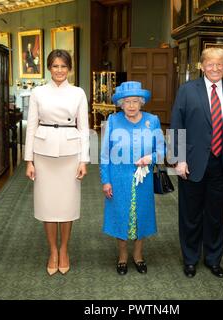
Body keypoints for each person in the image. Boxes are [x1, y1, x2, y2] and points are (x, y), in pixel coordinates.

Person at [170, 47, 223, 278]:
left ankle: (214, 259)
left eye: (220, 64)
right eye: (210, 64)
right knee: (190, 214)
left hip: (222, 164)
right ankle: (191, 259)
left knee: (216, 215)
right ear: (202, 66)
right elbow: (176, 126)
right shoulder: (186, 90)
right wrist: (178, 159)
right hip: (192, 163)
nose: (215, 68)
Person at [25, 49, 89, 276]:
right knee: (48, 205)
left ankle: (64, 249)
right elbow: (31, 126)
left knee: (67, 205)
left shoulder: (78, 93)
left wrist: (84, 159)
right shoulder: (38, 93)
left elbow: (84, 128)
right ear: (49, 68)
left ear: (69, 68)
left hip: (71, 153)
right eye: (55, 66)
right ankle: (52, 250)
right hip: (43, 154)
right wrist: (29, 160)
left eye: (63, 66)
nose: (59, 70)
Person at [100, 81, 165, 275]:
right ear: (120, 103)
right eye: (127, 101)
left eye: (135, 101)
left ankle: (138, 255)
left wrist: (150, 158)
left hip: (142, 180)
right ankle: (122, 256)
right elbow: (105, 155)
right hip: (118, 178)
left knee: (141, 216)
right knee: (120, 216)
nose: (131, 106)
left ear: (141, 102)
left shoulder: (152, 121)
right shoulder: (112, 121)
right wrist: (106, 180)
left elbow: (162, 150)